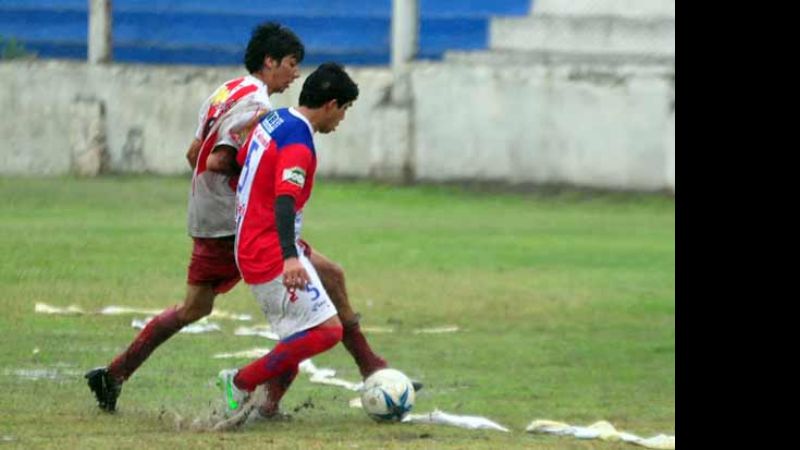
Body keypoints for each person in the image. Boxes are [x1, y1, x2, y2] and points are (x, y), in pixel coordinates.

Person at [85, 22, 393, 414]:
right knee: (325, 289)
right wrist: (257, 180)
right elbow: (217, 160)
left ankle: (114, 374)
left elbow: (194, 153)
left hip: (209, 219)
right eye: (291, 64)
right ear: (270, 61)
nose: (295, 74)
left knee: (193, 309)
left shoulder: (227, 90)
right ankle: (363, 372)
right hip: (238, 226)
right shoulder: (259, 108)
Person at [215, 62, 359, 427]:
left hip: (254, 239)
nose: (342, 119)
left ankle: (267, 407)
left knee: (299, 334)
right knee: (326, 331)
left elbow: (245, 159)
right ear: (330, 104)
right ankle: (240, 381)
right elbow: (284, 200)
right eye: (344, 109)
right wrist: (290, 257)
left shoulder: (275, 120)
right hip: (268, 249)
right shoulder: (299, 143)